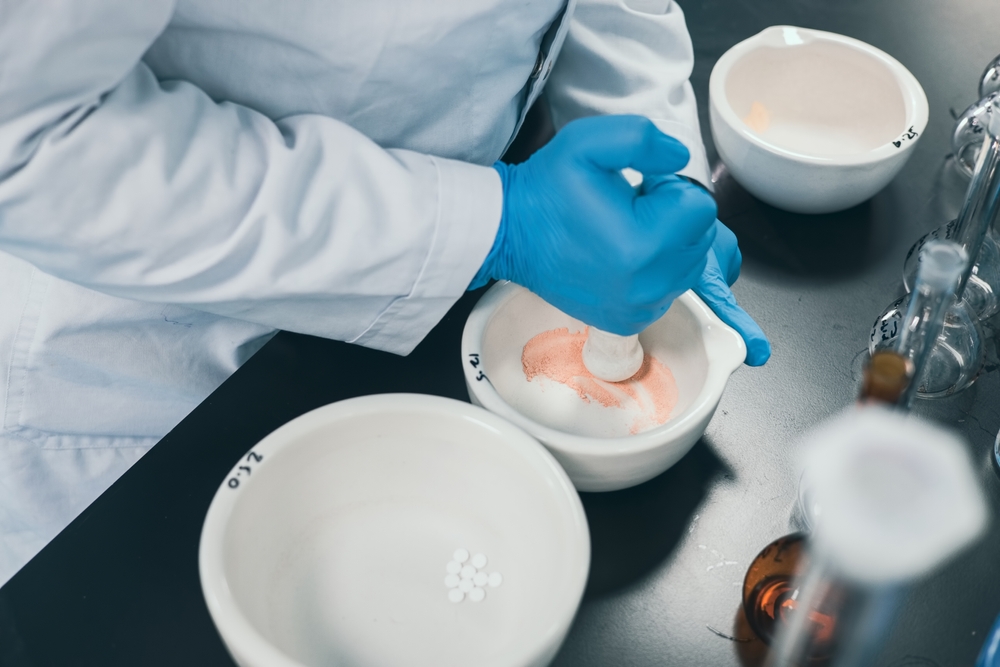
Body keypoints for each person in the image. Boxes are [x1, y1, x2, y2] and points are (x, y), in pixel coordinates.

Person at [0, 0, 769, 585]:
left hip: (442, 305)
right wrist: (493, 224)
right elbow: (29, 140)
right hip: (160, 378)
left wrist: (649, 174)